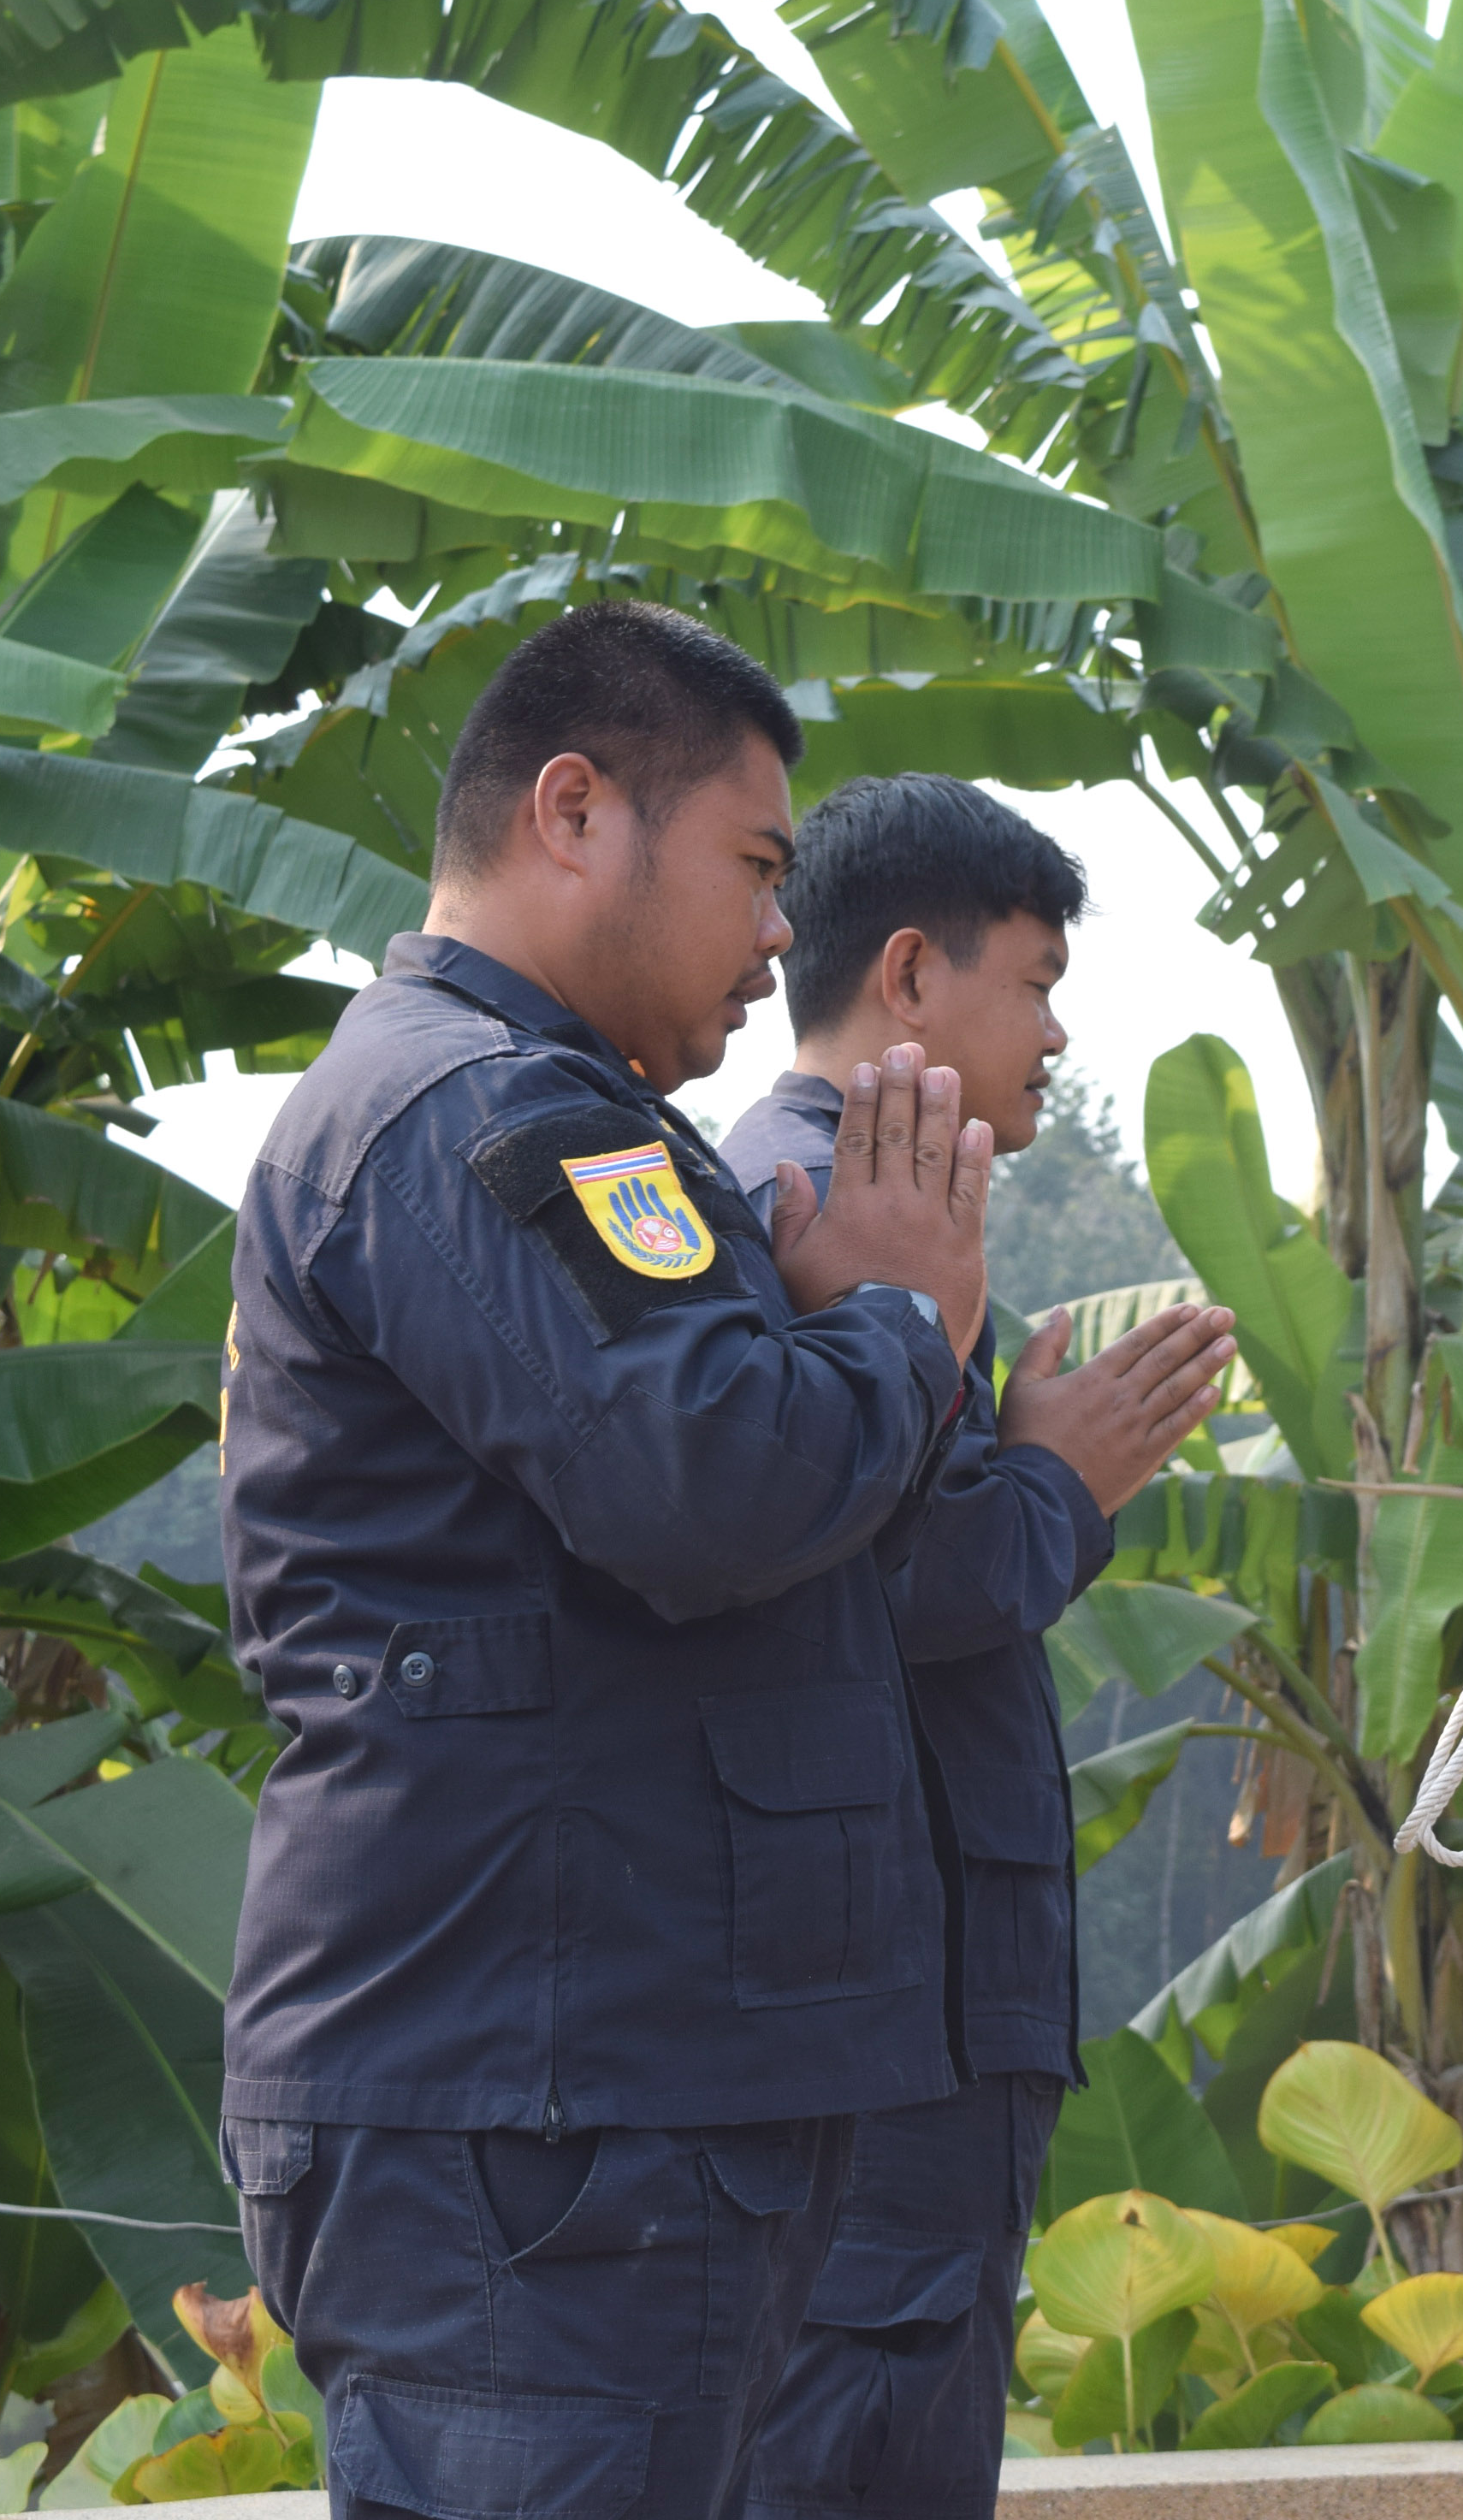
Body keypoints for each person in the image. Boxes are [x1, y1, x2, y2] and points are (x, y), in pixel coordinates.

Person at [214, 603, 1217, 2520]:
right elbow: (712, 1486)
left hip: (589, 2088)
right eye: (756, 867)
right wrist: (904, 1323)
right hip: (541, 2102)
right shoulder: (482, 1110)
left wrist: (844, 1330)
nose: (778, 930)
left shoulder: (566, 1118)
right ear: (574, 812)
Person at [714, 773, 1231, 2519]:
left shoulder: (843, 1200)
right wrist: (1061, 1480)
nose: (1058, 1034)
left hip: (907, 1999)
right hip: (883, 2007)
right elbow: (870, 1579)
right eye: (1036, 981)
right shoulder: (813, 1208)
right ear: (913, 976)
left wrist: (1030, 1460)